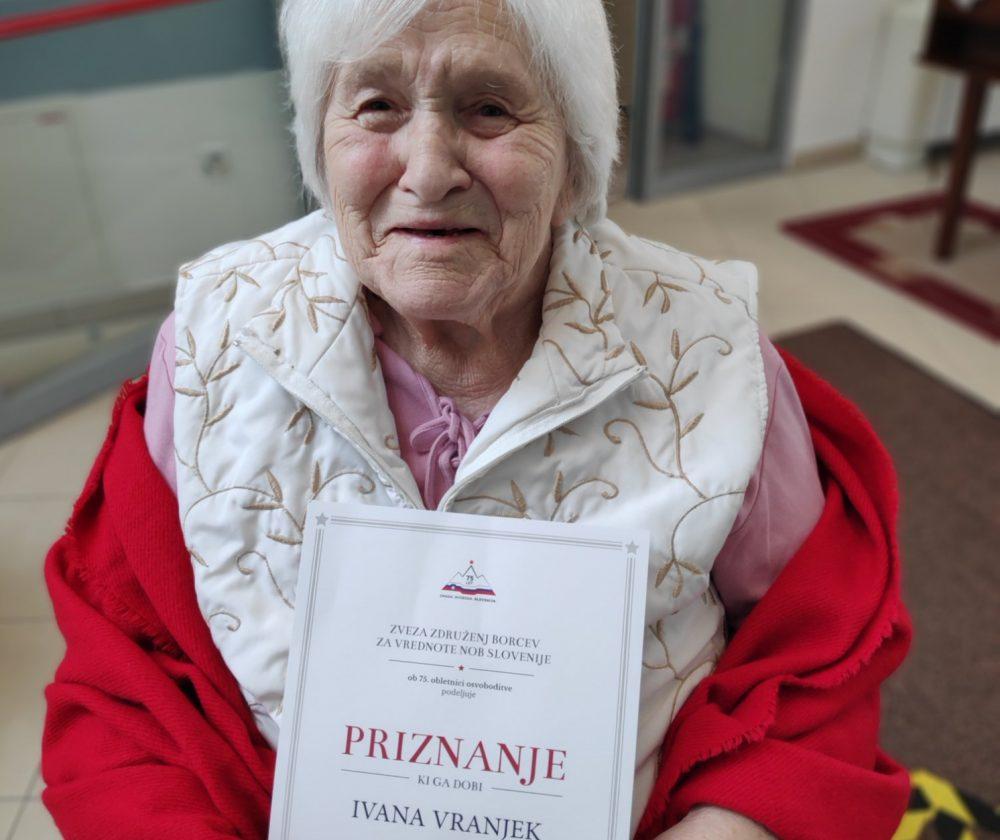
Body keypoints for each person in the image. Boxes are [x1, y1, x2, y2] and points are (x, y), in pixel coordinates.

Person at [40, 1, 913, 837]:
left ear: (575, 158)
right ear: (319, 145)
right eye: (377, 107)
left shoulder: (708, 351)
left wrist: (730, 826)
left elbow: (818, 661)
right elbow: (126, 681)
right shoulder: (214, 338)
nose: (427, 172)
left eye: (490, 109)